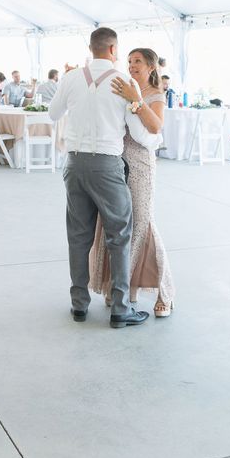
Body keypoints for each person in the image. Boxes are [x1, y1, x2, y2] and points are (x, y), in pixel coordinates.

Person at [49, 26, 150, 329]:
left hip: (75, 162)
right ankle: (120, 309)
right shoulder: (124, 82)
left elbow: (53, 114)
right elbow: (141, 133)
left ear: (91, 48)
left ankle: (79, 304)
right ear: (113, 50)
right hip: (107, 164)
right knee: (119, 235)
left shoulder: (70, 78)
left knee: (78, 236)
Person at [90, 48, 174, 317]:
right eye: (129, 61)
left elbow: (155, 127)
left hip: (140, 164)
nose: (132, 65)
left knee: (143, 224)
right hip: (116, 162)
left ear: (151, 66)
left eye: (137, 61)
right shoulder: (125, 87)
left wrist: (136, 100)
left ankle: (165, 293)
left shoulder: (155, 94)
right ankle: (124, 290)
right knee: (116, 224)